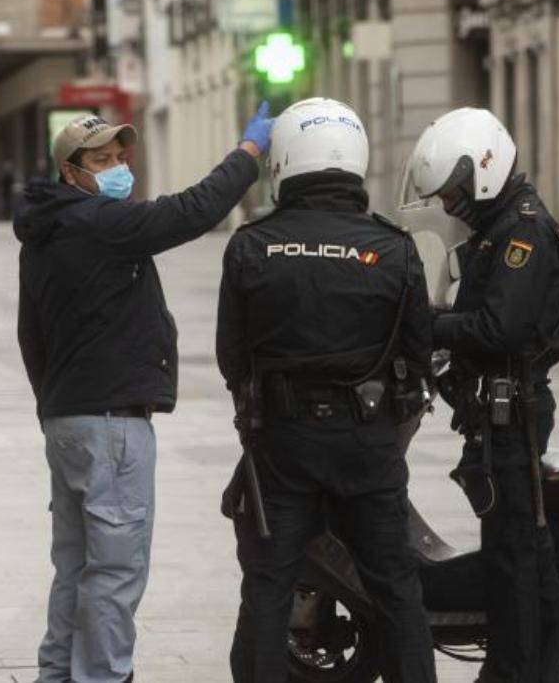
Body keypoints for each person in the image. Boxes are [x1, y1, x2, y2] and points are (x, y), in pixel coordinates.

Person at [15, 104, 274, 683]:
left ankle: (56, 675)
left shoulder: (45, 233)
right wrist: (249, 154)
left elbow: (30, 332)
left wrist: (52, 405)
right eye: (101, 160)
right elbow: (192, 211)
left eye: (120, 156)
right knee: (114, 571)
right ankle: (105, 677)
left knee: (76, 566)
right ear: (70, 173)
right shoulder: (98, 223)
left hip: (69, 418)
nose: (118, 168)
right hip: (111, 423)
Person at [217, 97, 438, 683]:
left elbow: (231, 358)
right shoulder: (394, 248)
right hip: (368, 444)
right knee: (395, 588)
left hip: (284, 444)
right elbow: (419, 356)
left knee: (268, 588)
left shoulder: (251, 245)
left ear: (284, 161)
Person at [408, 108, 559, 683]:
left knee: (516, 558)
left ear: (483, 171)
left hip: (515, 414)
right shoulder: (495, 230)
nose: (449, 205)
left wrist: (428, 325)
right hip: (498, 410)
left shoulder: (520, 233)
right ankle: (534, 669)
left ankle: (514, 672)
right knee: (522, 551)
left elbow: (498, 328)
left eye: (453, 193)